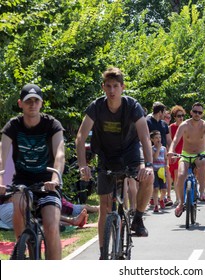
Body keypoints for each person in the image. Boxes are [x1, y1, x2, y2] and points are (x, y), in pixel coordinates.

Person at [75, 67, 154, 259]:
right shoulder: (96, 107)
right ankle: (103, 253)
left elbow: (144, 137)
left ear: (122, 87)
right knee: (105, 206)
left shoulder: (132, 106)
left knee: (148, 178)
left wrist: (148, 165)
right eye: (108, 86)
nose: (112, 91)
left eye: (116, 86)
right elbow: (80, 137)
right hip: (106, 155)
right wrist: (82, 165)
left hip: (130, 154)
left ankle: (138, 218)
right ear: (103, 87)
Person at [0, 84, 65, 259]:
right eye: (28, 101)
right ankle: (23, 250)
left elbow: (60, 153)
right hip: (22, 181)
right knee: (19, 204)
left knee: (51, 226)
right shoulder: (13, 126)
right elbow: (1, 155)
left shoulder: (52, 125)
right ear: (21, 103)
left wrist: (55, 178)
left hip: (48, 183)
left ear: (41, 103)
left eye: (36, 101)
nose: (32, 104)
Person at [167, 102, 205, 217]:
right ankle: (181, 203)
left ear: (202, 114)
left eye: (200, 112)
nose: (197, 114)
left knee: (203, 163)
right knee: (181, 175)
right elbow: (175, 139)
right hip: (185, 155)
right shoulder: (185, 124)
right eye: (195, 112)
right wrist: (171, 151)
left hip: (199, 154)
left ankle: (202, 191)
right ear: (191, 112)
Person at [168, 105, 186, 206]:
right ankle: (178, 198)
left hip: (185, 153)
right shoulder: (171, 127)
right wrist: (171, 154)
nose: (181, 117)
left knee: (186, 175)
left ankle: (190, 193)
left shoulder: (186, 126)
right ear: (174, 117)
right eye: (179, 115)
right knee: (176, 177)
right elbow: (169, 142)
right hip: (175, 153)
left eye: (182, 115)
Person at [150, 130, 168, 213]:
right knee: (156, 188)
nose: (158, 139)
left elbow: (165, 158)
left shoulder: (164, 148)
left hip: (162, 170)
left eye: (159, 137)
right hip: (154, 170)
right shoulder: (152, 149)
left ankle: (161, 199)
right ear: (152, 140)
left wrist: (166, 167)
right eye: (156, 138)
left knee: (164, 189)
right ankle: (156, 205)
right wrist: (157, 149)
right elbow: (155, 158)